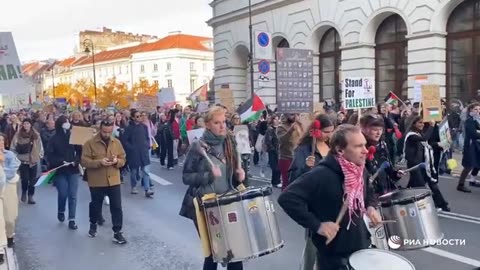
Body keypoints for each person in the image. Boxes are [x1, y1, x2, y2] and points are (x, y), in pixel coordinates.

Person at [278, 124, 381, 270]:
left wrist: (371, 207)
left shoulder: (359, 169)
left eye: (364, 145)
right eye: (358, 146)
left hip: (360, 244)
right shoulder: (321, 174)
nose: (365, 151)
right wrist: (317, 225)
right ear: (340, 150)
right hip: (334, 257)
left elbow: (369, 190)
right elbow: (287, 198)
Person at [180, 106, 245, 270]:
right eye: (217, 123)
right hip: (206, 206)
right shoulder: (197, 146)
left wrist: (241, 174)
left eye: (224, 122)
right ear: (208, 124)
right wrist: (209, 176)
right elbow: (186, 177)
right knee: (213, 254)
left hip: (228, 203)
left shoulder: (230, 143)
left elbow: (235, 177)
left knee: (236, 253)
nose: (222, 126)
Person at [287, 114, 334, 270]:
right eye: (326, 132)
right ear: (316, 130)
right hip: (315, 203)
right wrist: (306, 167)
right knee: (313, 244)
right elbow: (294, 178)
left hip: (332, 200)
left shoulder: (332, 148)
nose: (330, 135)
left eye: (332, 131)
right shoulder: (304, 149)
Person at [81, 120, 127, 245]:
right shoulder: (90, 143)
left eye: (109, 132)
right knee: (96, 205)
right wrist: (99, 162)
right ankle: (93, 223)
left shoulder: (116, 142)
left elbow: (123, 158)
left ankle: (117, 232)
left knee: (116, 206)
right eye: (104, 131)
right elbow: (84, 161)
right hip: (97, 180)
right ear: (100, 129)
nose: (107, 134)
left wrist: (117, 161)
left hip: (113, 179)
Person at [404, 116, 450, 211]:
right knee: (421, 186)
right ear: (414, 124)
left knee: (431, 184)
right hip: (415, 165)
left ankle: (442, 204)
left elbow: (427, 144)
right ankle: (429, 205)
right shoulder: (411, 135)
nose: (422, 124)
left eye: (422, 123)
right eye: (419, 123)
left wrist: (440, 143)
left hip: (423, 164)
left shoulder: (419, 133)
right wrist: (432, 126)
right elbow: (425, 138)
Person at [46, 116, 82, 230]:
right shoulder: (54, 139)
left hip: (73, 169)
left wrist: (76, 161)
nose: (67, 123)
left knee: (73, 195)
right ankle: (61, 210)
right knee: (63, 193)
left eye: (68, 121)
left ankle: (72, 219)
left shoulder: (73, 137)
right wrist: (61, 161)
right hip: (60, 170)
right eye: (65, 122)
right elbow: (50, 155)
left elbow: (80, 152)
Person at [360, 114, 403, 196]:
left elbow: (388, 169)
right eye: (375, 130)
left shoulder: (383, 145)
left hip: (385, 192)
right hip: (370, 195)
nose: (378, 133)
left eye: (380, 129)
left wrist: (396, 174)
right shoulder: (361, 148)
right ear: (365, 130)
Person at [11, 119, 43, 204]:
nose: (26, 125)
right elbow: (13, 146)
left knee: (33, 180)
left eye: (27, 123)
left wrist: (40, 155)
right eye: (24, 124)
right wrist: (16, 157)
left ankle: (31, 196)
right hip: (23, 160)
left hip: (34, 160)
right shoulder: (18, 135)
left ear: (30, 125)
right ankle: (24, 192)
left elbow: (40, 146)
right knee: (25, 179)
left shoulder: (36, 135)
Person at [123, 110, 154, 197]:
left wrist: (147, 145)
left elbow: (147, 137)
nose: (139, 117)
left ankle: (147, 189)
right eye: (137, 116)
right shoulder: (129, 128)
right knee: (133, 171)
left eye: (140, 116)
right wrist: (131, 148)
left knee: (145, 171)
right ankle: (134, 186)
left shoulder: (144, 126)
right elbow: (125, 141)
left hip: (143, 151)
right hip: (134, 153)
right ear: (132, 118)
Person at [0, 133, 20, 257]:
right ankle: (1, 249)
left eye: (2, 141)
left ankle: (10, 235)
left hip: (8, 187)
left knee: (9, 218)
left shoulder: (10, 155)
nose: (0, 143)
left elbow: (12, 171)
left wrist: (1, 167)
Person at [457, 103, 480, 192]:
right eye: (476, 109)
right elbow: (473, 133)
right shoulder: (469, 120)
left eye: (479, 109)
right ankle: (461, 185)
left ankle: (472, 180)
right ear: (470, 110)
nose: (478, 111)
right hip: (470, 146)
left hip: (476, 145)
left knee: (476, 163)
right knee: (468, 166)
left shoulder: (476, 119)